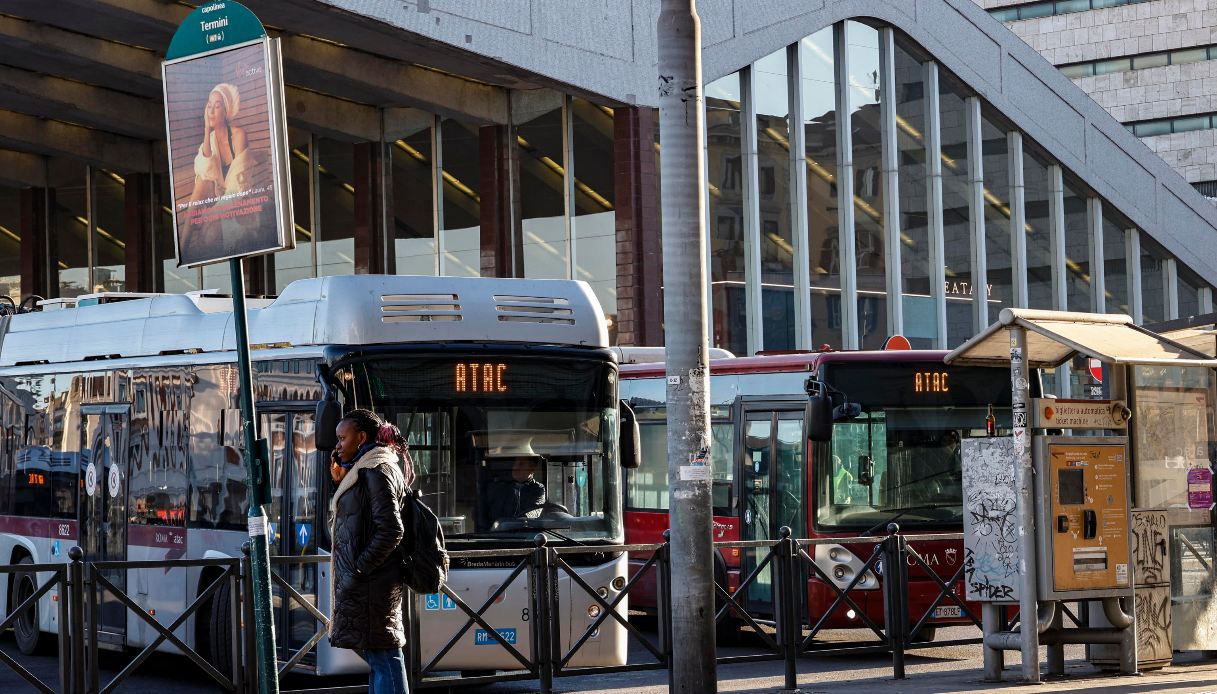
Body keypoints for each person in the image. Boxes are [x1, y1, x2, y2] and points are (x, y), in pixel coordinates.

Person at [328, 409, 414, 694]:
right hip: (369, 582)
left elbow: (391, 529)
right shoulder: (366, 468)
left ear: (362, 437)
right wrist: (340, 481)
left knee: (384, 656)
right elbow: (359, 517)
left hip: (372, 583)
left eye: (342, 438)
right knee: (379, 655)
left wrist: (360, 567)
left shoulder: (377, 469)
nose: (337, 445)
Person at [478, 440, 547, 530]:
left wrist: (519, 521)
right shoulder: (500, 487)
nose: (515, 467)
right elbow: (488, 514)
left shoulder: (538, 489)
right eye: (515, 463)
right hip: (500, 535)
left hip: (527, 535)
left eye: (521, 464)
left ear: (532, 469)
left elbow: (534, 511)